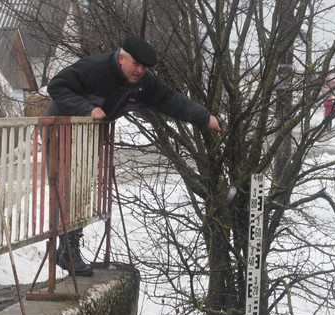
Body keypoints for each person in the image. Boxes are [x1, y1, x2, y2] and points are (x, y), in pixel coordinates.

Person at [45, 36, 221, 276]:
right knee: (67, 190)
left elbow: (170, 99)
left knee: (81, 191)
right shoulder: (95, 68)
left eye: (144, 67)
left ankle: (68, 250)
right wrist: (85, 108)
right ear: (121, 58)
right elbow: (56, 86)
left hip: (85, 140)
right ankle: (67, 251)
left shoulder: (141, 83)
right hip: (60, 134)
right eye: (136, 64)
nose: (140, 71)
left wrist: (203, 118)